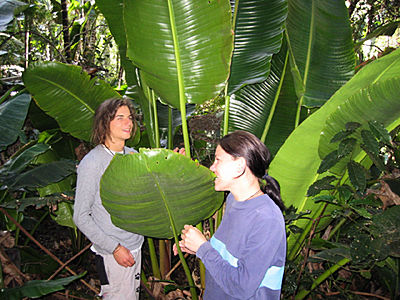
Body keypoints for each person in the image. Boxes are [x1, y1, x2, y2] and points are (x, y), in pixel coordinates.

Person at [176, 130, 286, 299]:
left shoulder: (266, 219)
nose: (212, 167)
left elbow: (241, 287)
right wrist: (196, 247)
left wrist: (203, 249)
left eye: (218, 160)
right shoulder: (235, 201)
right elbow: (229, 256)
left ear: (239, 166)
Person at [73, 98, 144, 300]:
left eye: (130, 118)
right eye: (120, 118)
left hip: (135, 246)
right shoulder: (93, 163)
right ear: (105, 122)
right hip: (114, 253)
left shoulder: (133, 155)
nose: (128, 123)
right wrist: (115, 248)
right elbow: (80, 216)